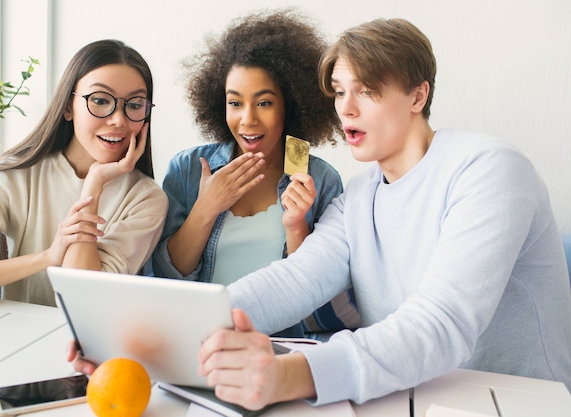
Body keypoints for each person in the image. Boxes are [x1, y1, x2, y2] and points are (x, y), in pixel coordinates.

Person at [192, 18, 571, 409]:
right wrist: (192, 322)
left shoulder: (488, 168)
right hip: (409, 394)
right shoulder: (358, 196)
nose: (346, 109)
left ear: (417, 96)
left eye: (367, 91)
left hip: (515, 401)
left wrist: (290, 375)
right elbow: (295, 279)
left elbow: (442, 323)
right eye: (339, 92)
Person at [148, 9, 360, 336]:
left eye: (263, 103)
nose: (247, 119)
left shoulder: (319, 178)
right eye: (235, 103)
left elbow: (315, 294)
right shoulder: (189, 170)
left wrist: (296, 226)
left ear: (290, 104)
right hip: (198, 339)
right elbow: (164, 278)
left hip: (280, 351)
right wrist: (205, 209)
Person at [0, 39, 168, 307]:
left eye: (134, 104)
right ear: (67, 107)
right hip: (15, 337)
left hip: (94, 346)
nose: (118, 119)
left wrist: (94, 184)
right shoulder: (14, 177)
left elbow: (81, 301)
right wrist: (48, 257)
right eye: (99, 100)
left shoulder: (147, 199)